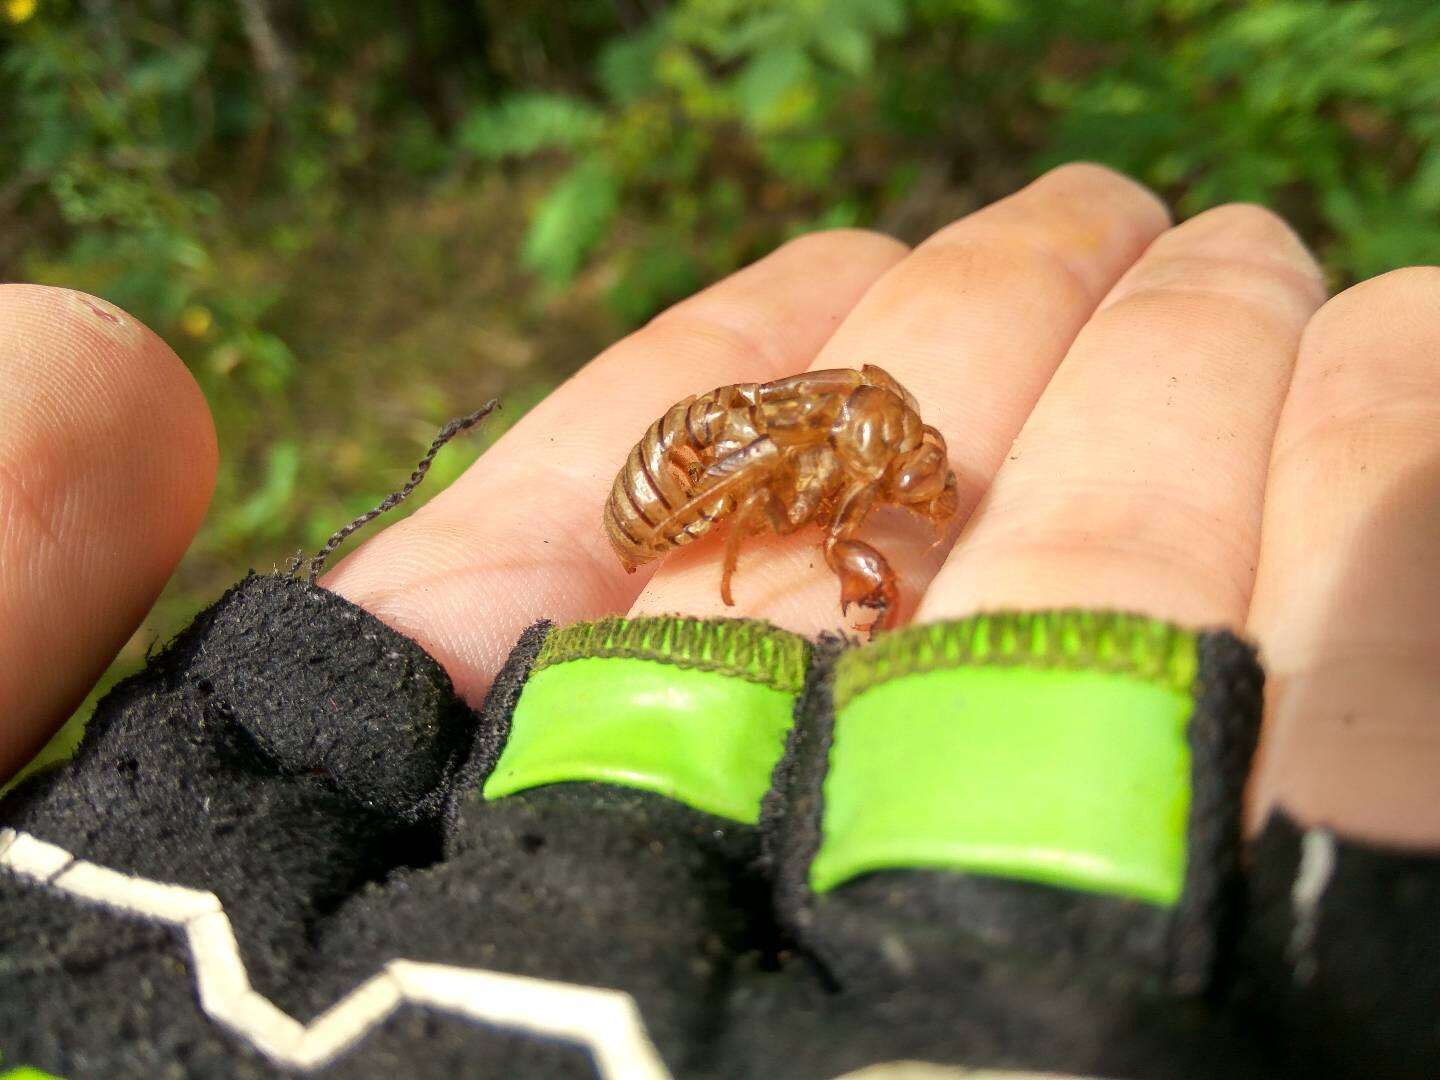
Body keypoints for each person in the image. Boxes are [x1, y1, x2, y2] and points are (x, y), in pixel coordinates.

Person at [1, 163, 1436, 1078]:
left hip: (710, 462)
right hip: (688, 487)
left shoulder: (856, 440)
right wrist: (751, 550)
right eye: (912, 476)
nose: (921, 489)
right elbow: (774, 485)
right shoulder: (819, 461)